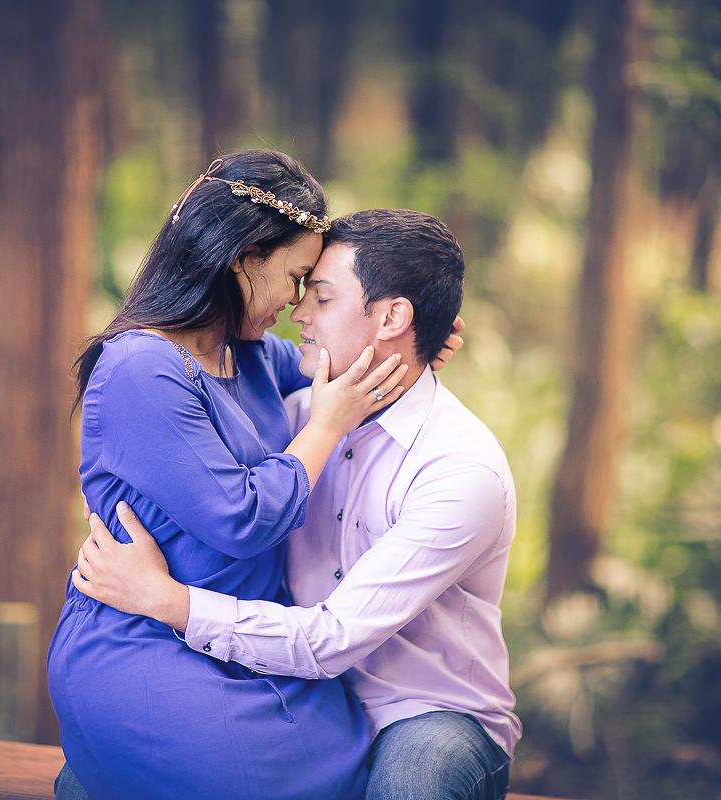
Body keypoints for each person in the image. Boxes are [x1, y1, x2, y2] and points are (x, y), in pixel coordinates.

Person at [73, 209, 521, 800]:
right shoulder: (295, 419)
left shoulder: (461, 471)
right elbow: (189, 434)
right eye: (301, 287)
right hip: (291, 687)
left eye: (323, 297)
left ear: (391, 317)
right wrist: (118, 484)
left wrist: (168, 601)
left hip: (421, 709)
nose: (299, 313)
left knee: (411, 784)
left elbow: (330, 639)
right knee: (90, 776)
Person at [48, 149, 423, 800]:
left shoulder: (244, 353)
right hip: (145, 643)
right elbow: (242, 518)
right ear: (242, 257)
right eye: (296, 277)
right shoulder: (142, 368)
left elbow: (337, 358)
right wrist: (325, 427)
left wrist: (416, 337)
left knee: (345, 759)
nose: (298, 302)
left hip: (246, 643)